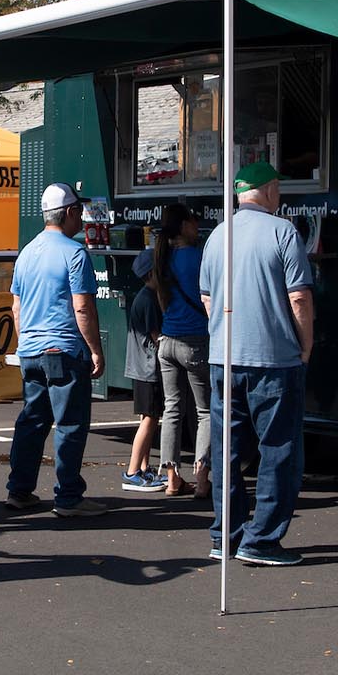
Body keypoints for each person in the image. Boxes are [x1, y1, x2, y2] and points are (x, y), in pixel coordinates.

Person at [198, 160, 314, 567]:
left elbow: (208, 298)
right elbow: (298, 297)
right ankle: (262, 540)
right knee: (277, 451)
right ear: (268, 191)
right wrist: (305, 346)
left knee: (227, 452)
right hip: (273, 359)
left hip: (222, 358)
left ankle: (224, 535)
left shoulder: (216, 235)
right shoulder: (283, 232)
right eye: (278, 190)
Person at [5, 182, 108, 518]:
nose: (81, 217)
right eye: (79, 210)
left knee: (31, 422)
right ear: (69, 213)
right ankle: (68, 497)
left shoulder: (27, 252)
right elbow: (82, 307)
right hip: (62, 348)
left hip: (31, 350)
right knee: (70, 424)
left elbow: (16, 308)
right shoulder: (74, 253)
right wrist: (95, 349)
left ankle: (19, 490)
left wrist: (24, 345)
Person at [153, 202, 212, 503]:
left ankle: (172, 479)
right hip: (195, 340)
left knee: (172, 410)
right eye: (193, 220)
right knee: (205, 411)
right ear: (185, 226)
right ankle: (202, 479)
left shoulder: (162, 258)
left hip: (168, 341)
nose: (197, 224)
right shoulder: (198, 257)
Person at [121, 247, 166, 491]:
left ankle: (144, 468)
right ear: (152, 273)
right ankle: (132, 472)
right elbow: (156, 336)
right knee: (150, 419)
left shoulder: (143, 296)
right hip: (148, 368)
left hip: (140, 367)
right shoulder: (149, 300)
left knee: (147, 418)